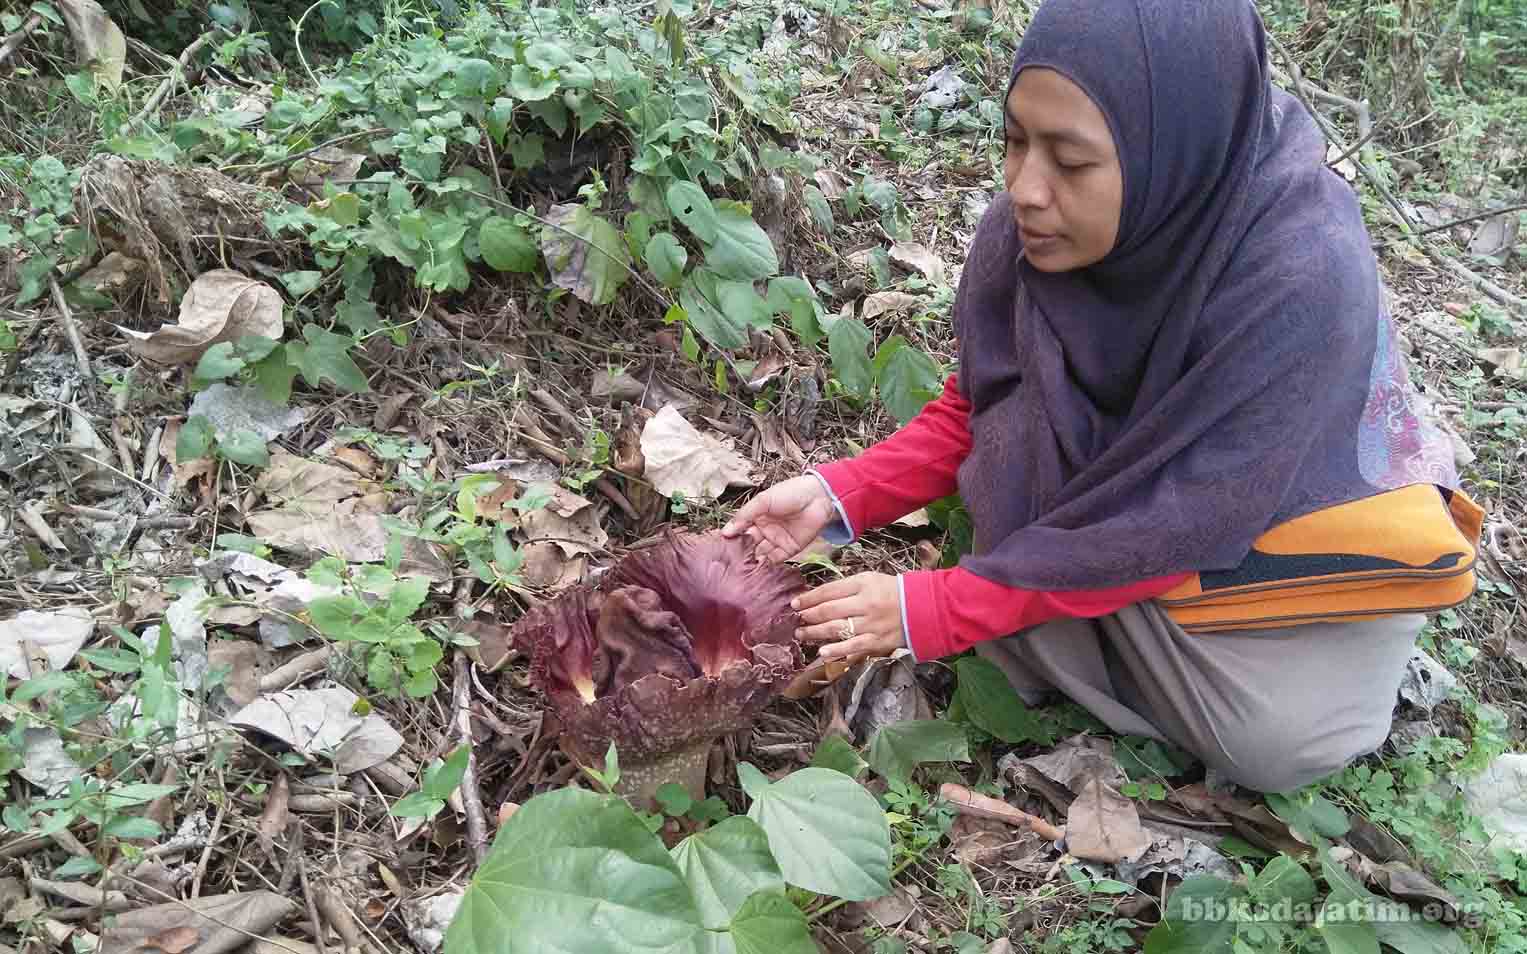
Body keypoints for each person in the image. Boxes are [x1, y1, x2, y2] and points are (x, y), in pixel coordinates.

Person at [721, 0, 1484, 794]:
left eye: (1071, 161)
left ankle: (1062, 600)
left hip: (1287, 513)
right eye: (1014, 142)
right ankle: (1069, 597)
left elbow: (1191, 506)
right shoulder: (1038, 230)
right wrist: (839, 492)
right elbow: (988, 403)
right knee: (1015, 584)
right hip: (1146, 499)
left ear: (1173, 153)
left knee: (1281, 744)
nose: (1024, 188)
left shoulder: (1297, 273)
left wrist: (942, 608)